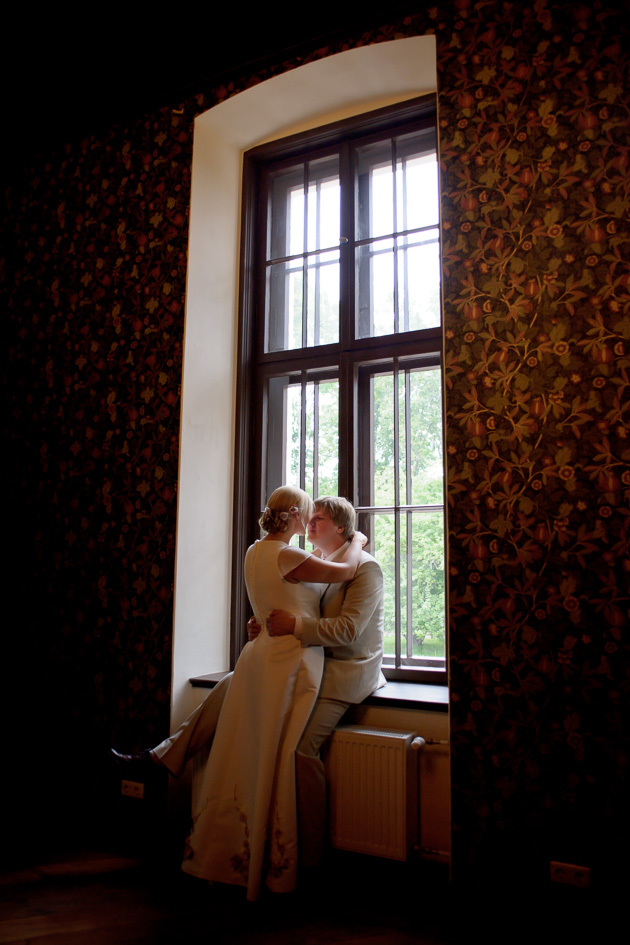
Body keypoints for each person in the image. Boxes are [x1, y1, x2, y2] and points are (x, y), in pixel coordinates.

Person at [112, 495, 384, 874]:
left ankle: (309, 858)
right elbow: (295, 603)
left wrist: (294, 626)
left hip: (343, 672)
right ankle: (169, 759)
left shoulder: (366, 568)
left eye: (319, 518)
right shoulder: (310, 560)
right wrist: (263, 626)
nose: (310, 522)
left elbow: (348, 629)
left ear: (341, 527)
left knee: (299, 751)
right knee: (235, 681)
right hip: (307, 660)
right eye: (311, 516)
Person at [174, 486, 365, 900]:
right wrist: (358, 540)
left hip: (262, 653)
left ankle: (229, 849)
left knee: (248, 749)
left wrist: (260, 621)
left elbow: (272, 597)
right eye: (308, 514)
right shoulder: (287, 554)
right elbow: (346, 572)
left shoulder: (253, 551)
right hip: (289, 660)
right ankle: (266, 855)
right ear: (294, 514)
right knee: (274, 754)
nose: (310, 521)